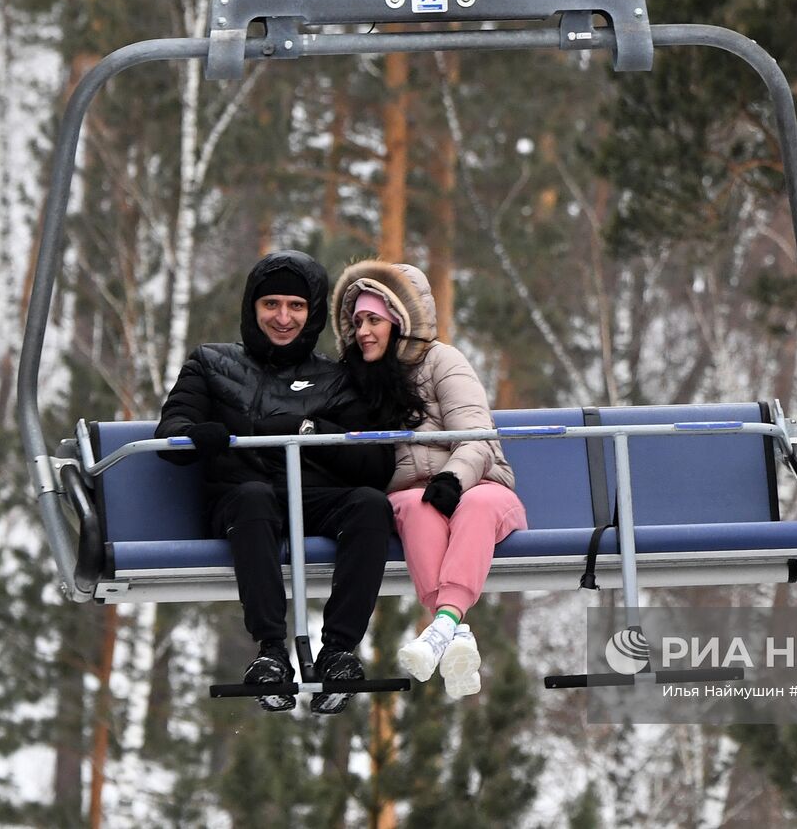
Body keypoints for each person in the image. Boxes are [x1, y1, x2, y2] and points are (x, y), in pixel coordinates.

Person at [155, 250, 394, 714]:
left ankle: (339, 651)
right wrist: (195, 436)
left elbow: (372, 462)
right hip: (242, 500)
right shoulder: (211, 364)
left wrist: (303, 431)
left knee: (369, 504)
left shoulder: (337, 378)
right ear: (252, 308)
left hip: (313, 497)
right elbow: (171, 434)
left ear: (313, 313)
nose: (283, 318)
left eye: (296, 306)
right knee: (253, 497)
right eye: (271, 305)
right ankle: (270, 652)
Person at [331, 259, 527, 698]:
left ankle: (440, 625)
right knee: (416, 508)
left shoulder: (443, 361)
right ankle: (453, 632)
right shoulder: (358, 383)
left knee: (473, 507)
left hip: (481, 486)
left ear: (399, 322)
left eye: (374, 320)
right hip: (411, 497)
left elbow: (477, 432)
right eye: (357, 321)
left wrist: (454, 479)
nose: (363, 331)